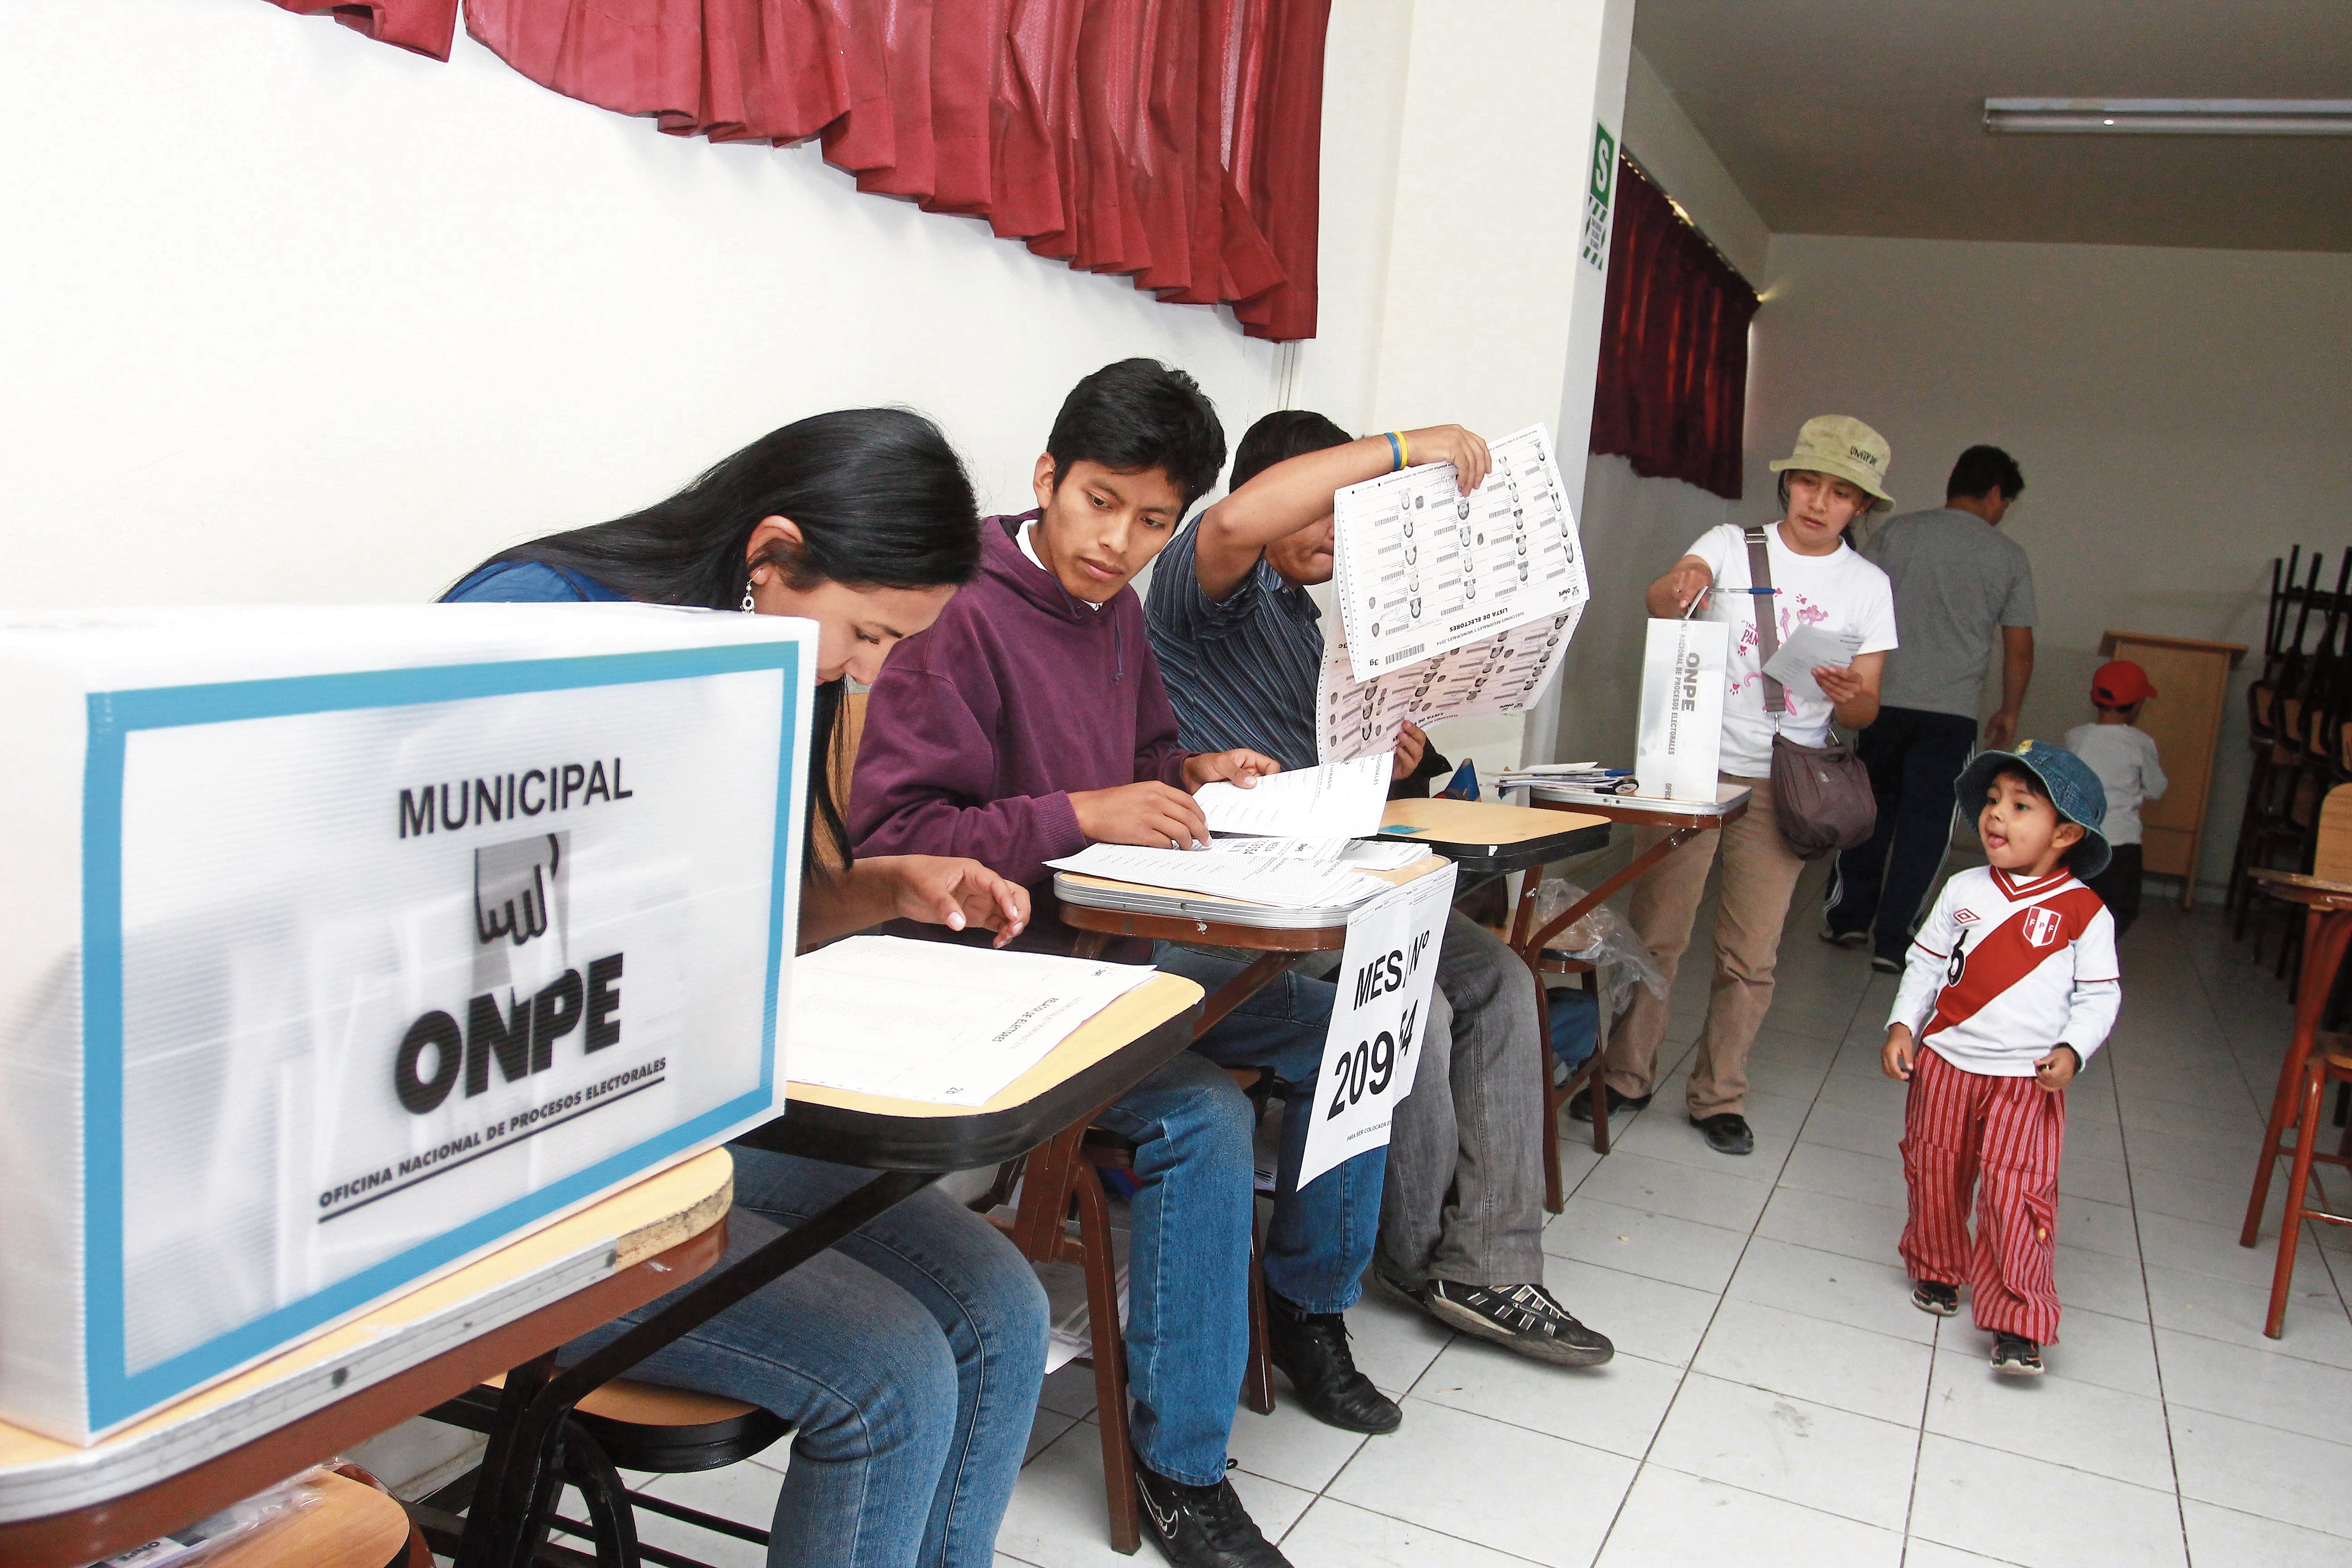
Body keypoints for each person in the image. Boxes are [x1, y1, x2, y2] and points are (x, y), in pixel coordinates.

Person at [444, 409, 1049, 1568]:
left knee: (1002, 1310)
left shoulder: (769, 663)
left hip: (667, 1120)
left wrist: (879, 889)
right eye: (867, 633)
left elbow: (756, 913)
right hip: (510, 1169)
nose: (869, 673)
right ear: (770, 556)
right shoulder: (536, 623)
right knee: (891, 1376)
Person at [850, 361, 1385, 1568]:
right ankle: (1181, 1470)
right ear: (1045, 477)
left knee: (1347, 1014)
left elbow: (1144, 751)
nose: (1118, 542)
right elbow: (899, 845)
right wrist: (1084, 810)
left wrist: (1194, 774)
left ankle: (1306, 1306)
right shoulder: (962, 612)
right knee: (1194, 1113)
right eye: (1099, 503)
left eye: (1153, 521)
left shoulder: (1118, 615)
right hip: (997, 976)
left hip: (1113, 958)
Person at [1144, 408, 1613, 1368]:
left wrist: (1394, 754)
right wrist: (1408, 449)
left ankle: (1488, 1256)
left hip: (1343, 870)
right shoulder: (1204, 595)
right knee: (1420, 1007)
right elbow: (1233, 526)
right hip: (1261, 895)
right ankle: (1405, 1254)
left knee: (1504, 979)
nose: (1335, 535)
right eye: (1323, 512)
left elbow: (1325, 768)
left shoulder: (1302, 620)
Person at [1580, 416, 1899, 1156]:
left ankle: (1720, 1095)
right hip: (1689, 767)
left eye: (1841, 493)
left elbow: (1866, 707)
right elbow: (1665, 601)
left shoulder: (1868, 587)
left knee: (1750, 954)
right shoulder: (1729, 544)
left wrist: (1849, 690)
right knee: (1657, 932)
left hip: (1787, 781)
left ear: (1862, 507)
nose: (1819, 502)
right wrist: (1681, 583)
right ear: (1788, 481)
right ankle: (1626, 1073)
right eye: (1809, 482)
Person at [1880, 743, 2119, 1376]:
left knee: (2018, 1196)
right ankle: (1937, 1268)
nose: (1996, 816)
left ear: (2065, 832)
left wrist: (2073, 1049)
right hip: (1946, 1066)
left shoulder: (2085, 913)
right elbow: (1927, 963)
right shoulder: (1963, 889)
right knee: (1935, 1170)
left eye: (2020, 805)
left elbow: (2101, 996)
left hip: (2025, 1082)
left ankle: (2017, 1318)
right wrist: (1904, 1023)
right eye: (1991, 801)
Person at [1823, 446, 2038, 973]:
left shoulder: (1897, 534)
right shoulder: (2007, 556)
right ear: (1993, 495)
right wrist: (2008, 710)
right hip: (1950, 713)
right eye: (2004, 502)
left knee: (1868, 811)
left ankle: (1847, 917)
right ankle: (1895, 940)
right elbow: (2018, 648)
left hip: (1881, 701)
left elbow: (1851, 606)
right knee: (1926, 824)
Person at [2064, 660, 2168, 939]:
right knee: (2118, 911)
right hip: (2121, 845)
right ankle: (2097, 960)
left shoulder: (2075, 737)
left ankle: (2069, 955)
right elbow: (2157, 788)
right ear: (2137, 706)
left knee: (2073, 906)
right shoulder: (2140, 742)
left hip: (2079, 840)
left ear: (2094, 699)